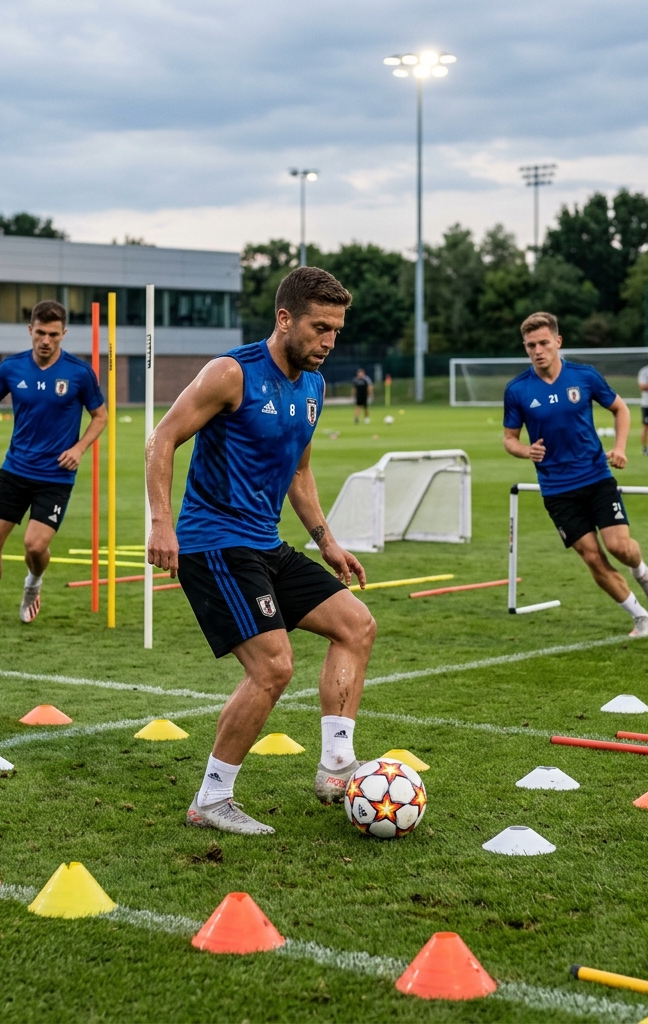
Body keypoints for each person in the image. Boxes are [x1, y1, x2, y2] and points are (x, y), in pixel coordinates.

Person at [146, 266, 377, 836]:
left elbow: (298, 470)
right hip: (214, 544)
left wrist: (327, 542)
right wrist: (161, 523)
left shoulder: (314, 387)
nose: (329, 341)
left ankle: (336, 767)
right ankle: (211, 799)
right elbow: (162, 438)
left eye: (337, 330)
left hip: (266, 544)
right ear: (285, 319)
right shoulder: (231, 373)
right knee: (274, 666)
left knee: (356, 625)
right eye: (320, 327)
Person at [0, 300, 106, 629]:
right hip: (15, 469)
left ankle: (33, 582)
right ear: (30, 330)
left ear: (63, 334)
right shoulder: (11, 368)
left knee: (35, 546)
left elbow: (100, 416)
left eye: (53, 335)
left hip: (56, 475)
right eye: (40, 333)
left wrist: (80, 448)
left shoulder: (79, 372)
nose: (46, 340)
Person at [503, 311, 648, 638]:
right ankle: (640, 617)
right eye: (531, 345)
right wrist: (525, 451)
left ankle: (641, 570)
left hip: (596, 477)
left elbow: (621, 408)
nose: (538, 350)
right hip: (556, 490)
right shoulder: (517, 390)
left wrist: (620, 448)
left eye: (544, 343)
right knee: (592, 557)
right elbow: (509, 439)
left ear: (558, 341)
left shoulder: (584, 376)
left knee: (619, 547)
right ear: (525, 348)